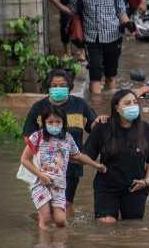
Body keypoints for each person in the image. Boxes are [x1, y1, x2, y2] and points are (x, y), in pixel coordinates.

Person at [22, 69, 99, 215]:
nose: (58, 88)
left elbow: (93, 128)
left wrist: (100, 122)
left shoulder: (80, 105)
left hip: (72, 165)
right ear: (48, 87)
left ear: (69, 87)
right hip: (44, 167)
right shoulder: (38, 107)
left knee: (66, 203)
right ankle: (46, 226)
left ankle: (66, 228)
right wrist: (39, 161)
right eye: (54, 85)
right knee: (45, 205)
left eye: (62, 85)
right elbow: (28, 136)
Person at [20, 104, 106, 230]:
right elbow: (24, 160)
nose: (54, 125)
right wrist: (41, 175)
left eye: (58, 122)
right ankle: (44, 242)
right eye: (50, 122)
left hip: (58, 185)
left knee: (60, 220)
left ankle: (66, 239)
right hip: (39, 182)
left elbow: (77, 156)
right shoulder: (37, 137)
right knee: (46, 218)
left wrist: (96, 165)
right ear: (44, 123)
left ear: (63, 122)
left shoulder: (67, 138)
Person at [83, 89, 149, 222]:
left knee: (132, 226)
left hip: (135, 186)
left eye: (135, 102)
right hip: (107, 186)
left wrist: (147, 181)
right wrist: (97, 166)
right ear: (116, 108)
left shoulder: (147, 130)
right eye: (127, 103)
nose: (132, 106)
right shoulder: (103, 128)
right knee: (106, 223)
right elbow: (86, 155)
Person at [68, 0, 134, 93]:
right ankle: (96, 104)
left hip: (113, 37)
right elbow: (72, 11)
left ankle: (109, 102)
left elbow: (121, 12)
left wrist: (129, 24)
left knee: (111, 76)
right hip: (91, 39)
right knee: (95, 75)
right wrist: (54, 1)